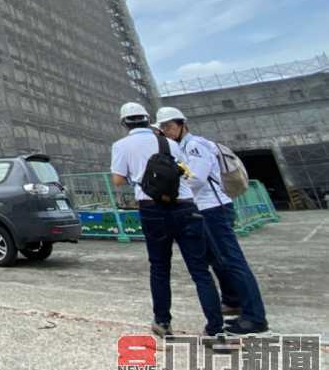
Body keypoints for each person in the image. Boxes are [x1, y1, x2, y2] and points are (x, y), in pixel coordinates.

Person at [110, 102, 228, 349]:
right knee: (200, 270)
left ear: (124, 123)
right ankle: (216, 331)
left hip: (152, 208)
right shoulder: (170, 144)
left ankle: (162, 321)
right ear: (147, 120)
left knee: (159, 266)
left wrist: (139, 178)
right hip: (184, 205)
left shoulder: (121, 146)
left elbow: (118, 180)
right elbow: (186, 173)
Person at [155, 107, 269, 335]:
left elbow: (196, 178)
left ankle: (255, 317)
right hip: (203, 208)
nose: (166, 131)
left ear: (181, 124)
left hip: (214, 208)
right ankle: (233, 300)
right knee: (219, 259)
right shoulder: (182, 146)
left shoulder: (194, 145)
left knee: (233, 260)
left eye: (169, 126)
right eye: (163, 128)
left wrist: (170, 189)